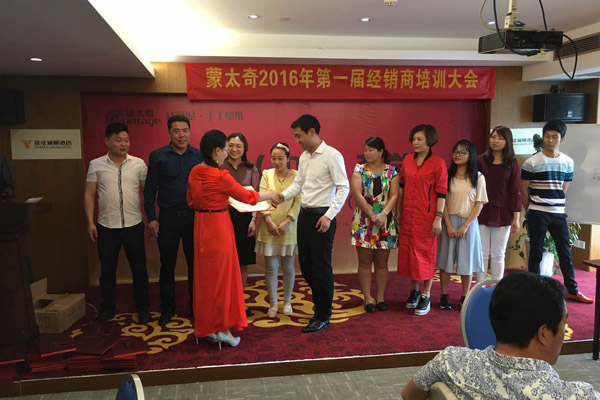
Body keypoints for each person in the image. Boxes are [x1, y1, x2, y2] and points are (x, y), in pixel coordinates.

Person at [401, 272, 600, 399]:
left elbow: (408, 394)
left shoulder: (450, 362)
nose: (564, 332)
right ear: (543, 333)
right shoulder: (577, 395)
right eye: (564, 324)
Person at [187, 130, 278, 347]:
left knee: (205, 280)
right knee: (223, 279)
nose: (228, 153)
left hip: (201, 226)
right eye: (226, 149)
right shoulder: (220, 176)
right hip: (219, 227)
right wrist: (271, 195)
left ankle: (207, 326)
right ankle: (223, 329)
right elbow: (248, 196)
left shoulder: (195, 171)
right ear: (217, 151)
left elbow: (190, 200)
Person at [278, 114, 349, 333]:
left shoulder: (332, 155)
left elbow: (343, 187)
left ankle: (323, 314)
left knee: (321, 267)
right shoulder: (304, 157)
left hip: (322, 217)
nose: (296, 140)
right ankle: (320, 305)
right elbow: (298, 184)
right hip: (305, 216)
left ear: (312, 132)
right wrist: (281, 196)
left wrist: (329, 216)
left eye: (299, 136)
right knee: (307, 266)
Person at [521, 119, 594, 304]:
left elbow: (564, 188)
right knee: (536, 252)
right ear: (543, 137)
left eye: (555, 137)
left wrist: (555, 205)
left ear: (562, 139)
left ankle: (572, 290)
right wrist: (530, 210)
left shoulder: (568, 162)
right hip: (537, 211)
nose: (550, 140)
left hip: (558, 213)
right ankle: (534, 289)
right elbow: (524, 190)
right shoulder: (531, 162)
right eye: (547, 136)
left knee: (565, 252)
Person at [84, 122, 150, 323]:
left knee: (139, 269)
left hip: (134, 225)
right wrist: (90, 222)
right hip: (107, 226)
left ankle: (143, 308)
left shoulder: (138, 164)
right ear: (107, 141)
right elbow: (89, 194)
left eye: (126, 140)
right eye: (118, 140)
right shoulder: (96, 165)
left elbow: (147, 194)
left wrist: (151, 219)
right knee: (107, 270)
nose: (123, 144)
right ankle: (107, 308)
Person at [144, 114, 202, 325]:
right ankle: (167, 308)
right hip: (167, 218)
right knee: (167, 265)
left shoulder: (199, 156)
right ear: (169, 133)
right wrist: (151, 218)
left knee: (196, 265)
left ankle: (197, 307)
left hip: (194, 218)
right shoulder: (158, 156)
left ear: (190, 132)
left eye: (185, 131)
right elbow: (150, 190)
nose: (181, 135)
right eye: (176, 131)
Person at [397, 124, 447, 316]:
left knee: (425, 254)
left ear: (429, 140)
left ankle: (426, 294)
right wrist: (399, 210)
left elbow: (441, 193)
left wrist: (438, 218)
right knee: (410, 253)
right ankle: (414, 290)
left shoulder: (438, 163)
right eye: (413, 139)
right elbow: (402, 185)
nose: (415, 142)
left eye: (419, 139)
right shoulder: (408, 160)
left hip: (426, 217)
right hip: (408, 215)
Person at [437, 140, 488, 309]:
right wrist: (448, 225)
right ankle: (444, 295)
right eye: (455, 151)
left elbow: (479, 204)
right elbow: (442, 201)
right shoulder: (447, 175)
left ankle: (465, 295)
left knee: (467, 261)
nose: (457, 155)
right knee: (445, 259)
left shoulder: (478, 177)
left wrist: (465, 225)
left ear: (470, 155)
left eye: (462, 152)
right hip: (449, 221)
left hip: (469, 223)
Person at [351, 137, 399, 312]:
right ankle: (367, 298)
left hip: (385, 221)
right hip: (364, 221)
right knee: (364, 262)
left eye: (371, 150)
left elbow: (394, 195)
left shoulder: (392, 171)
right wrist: (372, 215)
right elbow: (357, 195)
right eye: (365, 150)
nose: (367, 153)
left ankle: (380, 297)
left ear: (380, 152)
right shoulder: (359, 170)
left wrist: (383, 214)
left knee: (382, 263)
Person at [256, 142, 301, 318]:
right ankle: (273, 303)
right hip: (269, 226)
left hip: (289, 227)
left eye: (280, 158)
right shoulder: (266, 174)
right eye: (273, 158)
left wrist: (288, 221)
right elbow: (262, 198)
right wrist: (268, 220)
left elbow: (298, 201)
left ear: (288, 158)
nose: (276, 162)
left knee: (288, 267)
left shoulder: (297, 175)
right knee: (271, 268)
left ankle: (287, 301)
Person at [220, 132, 260, 313]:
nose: (234, 149)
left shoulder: (251, 169)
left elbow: (256, 197)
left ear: (244, 149)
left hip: (245, 220)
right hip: (223, 218)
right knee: (225, 263)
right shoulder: (220, 166)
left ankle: (239, 302)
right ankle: (225, 302)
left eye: (238, 146)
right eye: (231, 145)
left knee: (242, 263)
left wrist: (253, 220)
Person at [476, 126, 521, 283]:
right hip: (481, 210)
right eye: (493, 137)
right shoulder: (480, 160)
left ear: (507, 142)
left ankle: (497, 287)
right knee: (482, 253)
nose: (495, 141)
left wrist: (516, 218)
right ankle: (479, 288)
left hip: (503, 212)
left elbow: (515, 191)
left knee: (498, 254)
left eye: (500, 138)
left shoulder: (512, 163)